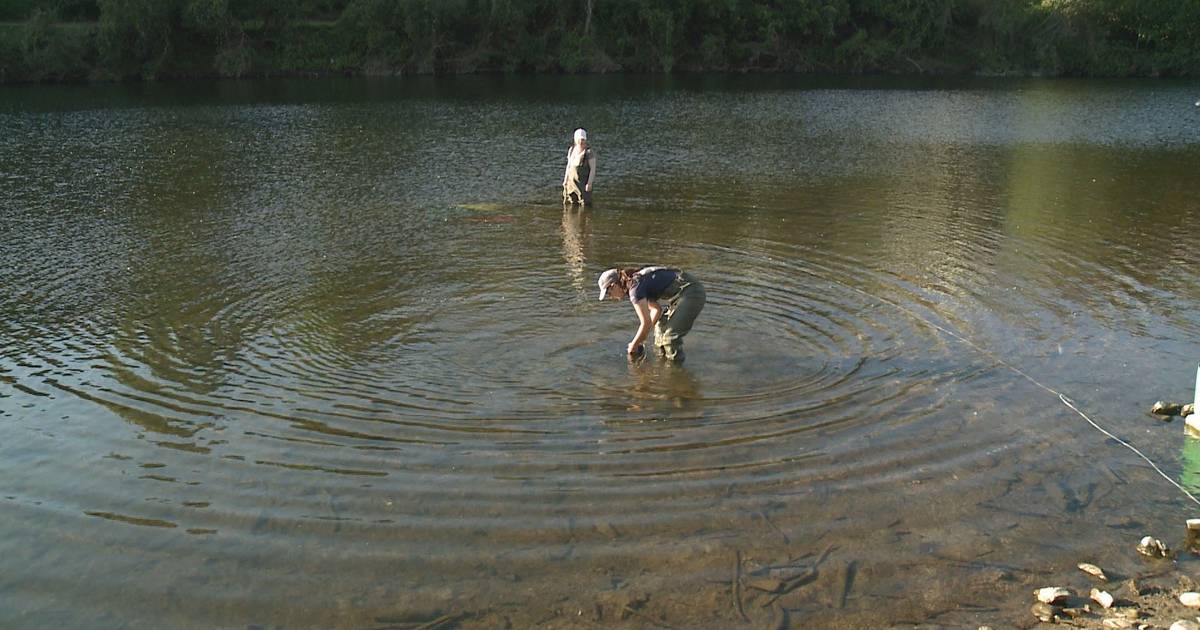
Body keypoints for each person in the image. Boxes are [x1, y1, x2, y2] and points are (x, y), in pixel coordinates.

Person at [598, 266, 705, 363]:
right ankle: (663, 364)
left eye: (609, 293)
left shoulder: (635, 289)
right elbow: (656, 310)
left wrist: (634, 345)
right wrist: (640, 340)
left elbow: (645, 323)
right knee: (659, 330)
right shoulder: (634, 285)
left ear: (614, 285)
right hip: (679, 296)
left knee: (670, 337)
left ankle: (675, 370)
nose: (610, 297)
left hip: (691, 291)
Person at [562, 128, 596, 205]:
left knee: (584, 205)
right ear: (575, 139)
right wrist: (565, 180)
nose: (581, 141)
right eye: (579, 139)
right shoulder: (571, 150)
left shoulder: (589, 152)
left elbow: (592, 170)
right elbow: (569, 166)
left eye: (583, 139)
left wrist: (589, 183)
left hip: (583, 185)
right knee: (570, 205)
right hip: (571, 185)